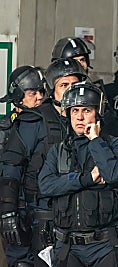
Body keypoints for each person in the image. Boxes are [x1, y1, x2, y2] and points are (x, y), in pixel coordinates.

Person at [0, 59, 87, 267]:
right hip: (33, 211)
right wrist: (8, 212)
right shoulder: (32, 121)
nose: (69, 91)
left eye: (74, 85)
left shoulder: (88, 119)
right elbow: (11, 171)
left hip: (73, 216)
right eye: (63, 85)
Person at [38, 83, 118, 266]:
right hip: (67, 246)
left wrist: (95, 140)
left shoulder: (115, 145)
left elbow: (114, 176)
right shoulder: (58, 151)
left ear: (98, 113)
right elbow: (46, 185)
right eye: (74, 111)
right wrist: (87, 179)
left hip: (104, 245)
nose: (79, 117)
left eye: (86, 110)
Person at [0, 66, 46, 267]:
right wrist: (7, 211)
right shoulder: (4, 129)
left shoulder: (46, 125)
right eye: (32, 93)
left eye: (41, 92)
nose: (39, 98)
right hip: (9, 206)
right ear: (18, 97)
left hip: (37, 206)